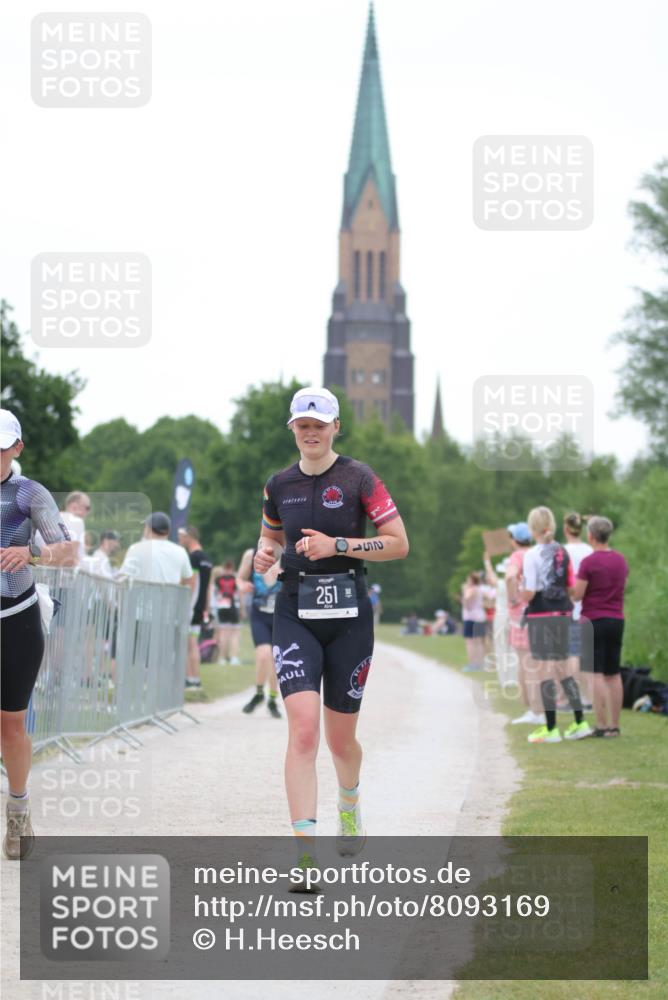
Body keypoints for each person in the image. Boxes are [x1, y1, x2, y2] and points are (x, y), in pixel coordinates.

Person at [254, 386, 409, 880]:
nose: (311, 432)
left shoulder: (360, 477)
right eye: (303, 425)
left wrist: (339, 544)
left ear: (335, 427)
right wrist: (263, 555)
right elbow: (269, 538)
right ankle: (305, 856)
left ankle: (349, 801)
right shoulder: (279, 484)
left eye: (319, 424)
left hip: (349, 618)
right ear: (292, 429)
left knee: (342, 743)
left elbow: (398, 543)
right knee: (303, 731)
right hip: (295, 611)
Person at [0, 409, 76, 859]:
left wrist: (29, 554)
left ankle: (18, 809)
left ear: (16, 448)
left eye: (1, 448)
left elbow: (67, 551)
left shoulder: (28, 493)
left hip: (16, 617)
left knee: (11, 726)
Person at [521, 506, 591, 744]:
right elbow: (571, 587)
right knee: (562, 668)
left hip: (541, 615)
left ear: (532, 529)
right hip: (563, 613)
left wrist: (520, 589)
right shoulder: (562, 551)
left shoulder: (531, 554)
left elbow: (530, 593)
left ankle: (551, 728)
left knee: (544, 669)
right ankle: (579, 722)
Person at [572, 516, 629, 738]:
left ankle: (601, 724)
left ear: (591, 536)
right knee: (613, 673)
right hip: (616, 619)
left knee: (595, 673)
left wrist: (568, 588)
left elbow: (578, 594)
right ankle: (615, 725)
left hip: (593, 619)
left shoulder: (589, 562)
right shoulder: (621, 560)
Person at [505, 522, 543, 726]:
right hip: (540, 611)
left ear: (514, 540)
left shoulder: (517, 556)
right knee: (537, 664)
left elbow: (510, 576)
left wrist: (513, 598)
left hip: (521, 615)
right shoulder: (537, 553)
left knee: (527, 665)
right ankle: (537, 709)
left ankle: (534, 711)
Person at [237, 546, 282, 717]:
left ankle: (272, 699)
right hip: (259, 615)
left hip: (281, 616)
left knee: (276, 659)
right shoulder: (251, 554)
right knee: (264, 655)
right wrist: (242, 586)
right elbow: (239, 578)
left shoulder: (288, 554)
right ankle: (259, 693)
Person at [562, 512, 594, 707]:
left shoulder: (562, 551)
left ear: (566, 529)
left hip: (570, 608)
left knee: (572, 655)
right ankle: (589, 697)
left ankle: (575, 698)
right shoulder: (590, 550)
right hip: (588, 608)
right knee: (586, 656)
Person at [178, 525, 214, 689]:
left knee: (188, 643)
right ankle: (195, 679)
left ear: (189, 536)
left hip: (190, 606)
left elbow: (191, 581)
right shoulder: (206, 558)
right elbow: (208, 586)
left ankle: (190, 679)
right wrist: (206, 607)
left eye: (181, 536)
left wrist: (183, 603)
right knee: (192, 642)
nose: (179, 539)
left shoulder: (193, 557)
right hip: (199, 607)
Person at [119, 513, 194, 588]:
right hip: (169, 595)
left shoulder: (136, 548)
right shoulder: (181, 551)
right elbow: (189, 580)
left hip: (141, 595)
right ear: (168, 531)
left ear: (148, 529)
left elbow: (123, 577)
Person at [461, 559, 496, 672]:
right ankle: (480, 664)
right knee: (480, 642)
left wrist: (465, 598)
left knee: (470, 642)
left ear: (471, 580)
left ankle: (473, 664)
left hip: (470, 618)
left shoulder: (470, 590)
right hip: (480, 617)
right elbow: (491, 596)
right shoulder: (481, 589)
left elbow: (467, 602)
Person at [212, 560, 242, 665]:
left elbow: (215, 593)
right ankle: (234, 658)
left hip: (222, 607)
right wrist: (242, 609)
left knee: (223, 634)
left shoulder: (218, 579)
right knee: (235, 633)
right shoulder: (235, 578)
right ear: (232, 568)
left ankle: (222, 658)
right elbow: (239, 594)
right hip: (233, 607)